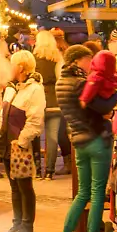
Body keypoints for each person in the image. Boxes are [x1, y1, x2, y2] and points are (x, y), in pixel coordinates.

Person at [55, 45, 117, 232]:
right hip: (97, 140)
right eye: (87, 60)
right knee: (97, 192)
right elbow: (102, 107)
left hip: (78, 141)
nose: (91, 64)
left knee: (83, 193)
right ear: (76, 61)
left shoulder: (60, 82)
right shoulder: (81, 83)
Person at [0, 50, 45, 232]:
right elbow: (2, 115)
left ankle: (26, 227)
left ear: (21, 67)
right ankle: (17, 224)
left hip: (20, 145)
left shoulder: (34, 89)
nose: (10, 67)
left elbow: (35, 119)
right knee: (14, 186)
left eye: (13, 63)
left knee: (24, 186)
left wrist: (22, 141)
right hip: (7, 144)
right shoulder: (11, 88)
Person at [33, 29, 70, 179]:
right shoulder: (58, 59)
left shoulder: (33, 59)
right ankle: (49, 170)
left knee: (34, 134)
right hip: (54, 101)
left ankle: (36, 169)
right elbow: (61, 80)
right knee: (52, 136)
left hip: (36, 99)